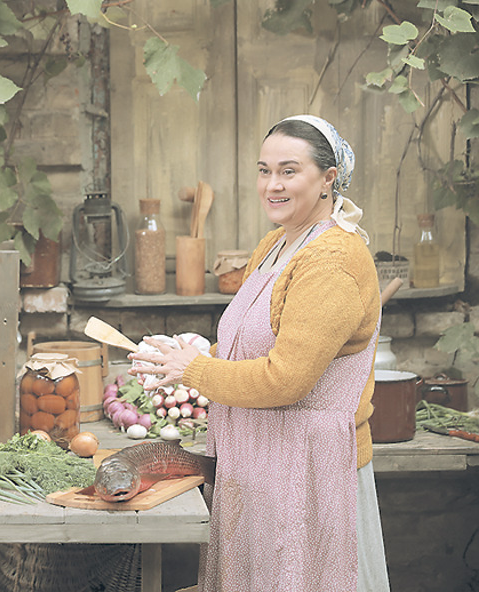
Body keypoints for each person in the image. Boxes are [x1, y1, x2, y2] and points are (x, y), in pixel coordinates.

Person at [130, 115, 391, 591]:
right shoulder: (275, 245)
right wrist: (187, 353)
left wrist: (197, 370)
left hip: (311, 469)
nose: (272, 185)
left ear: (328, 178)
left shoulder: (333, 261)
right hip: (257, 461)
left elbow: (286, 379)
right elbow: (252, 343)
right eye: (264, 170)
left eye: (289, 171)